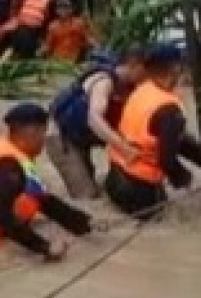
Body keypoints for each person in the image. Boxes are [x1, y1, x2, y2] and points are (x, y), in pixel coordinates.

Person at [0, 103, 94, 261]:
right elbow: (2, 217)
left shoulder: (12, 150)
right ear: (32, 132)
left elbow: (40, 199)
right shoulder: (7, 168)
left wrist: (82, 223)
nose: (44, 140)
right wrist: (44, 247)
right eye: (43, 133)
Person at [104, 44, 201, 218]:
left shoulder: (141, 91)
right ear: (175, 69)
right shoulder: (169, 109)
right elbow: (167, 161)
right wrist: (185, 179)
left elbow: (173, 142)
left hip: (114, 179)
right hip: (140, 195)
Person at [45, 46, 148, 199]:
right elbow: (94, 119)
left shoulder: (132, 88)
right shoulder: (103, 81)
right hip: (63, 135)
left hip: (88, 134)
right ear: (133, 64)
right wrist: (124, 149)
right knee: (87, 194)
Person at [41, 0, 93, 64]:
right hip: (57, 61)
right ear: (57, 11)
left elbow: (88, 39)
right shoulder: (53, 26)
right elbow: (48, 44)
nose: (63, 11)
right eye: (60, 8)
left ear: (71, 10)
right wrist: (42, 51)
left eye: (66, 8)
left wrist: (93, 45)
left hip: (76, 59)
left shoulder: (79, 23)